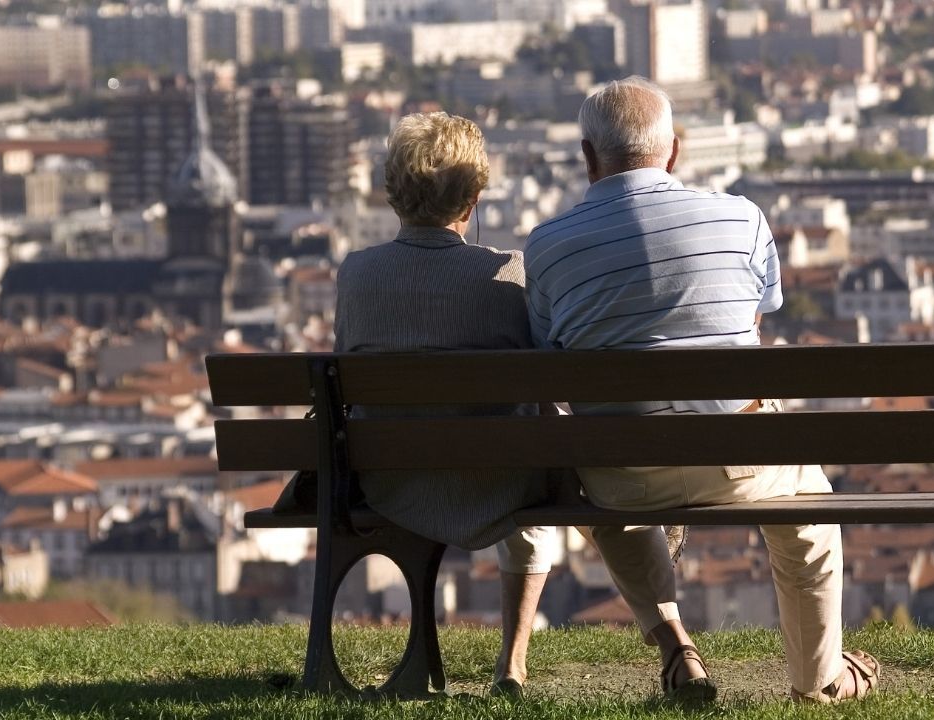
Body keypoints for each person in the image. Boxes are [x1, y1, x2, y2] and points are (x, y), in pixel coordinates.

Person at [523, 77, 880, 704]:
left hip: (624, 472)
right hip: (738, 458)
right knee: (811, 525)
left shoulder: (547, 249)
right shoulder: (741, 218)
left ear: (587, 157)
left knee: (607, 504)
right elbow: (753, 324)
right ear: (675, 150)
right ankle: (819, 679)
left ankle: (677, 648)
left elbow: (552, 358)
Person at [335, 111, 555, 699]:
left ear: (392, 192)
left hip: (390, 479)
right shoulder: (508, 273)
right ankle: (512, 663)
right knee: (530, 475)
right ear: (474, 197)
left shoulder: (357, 275)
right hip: (498, 483)